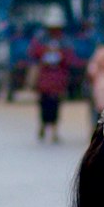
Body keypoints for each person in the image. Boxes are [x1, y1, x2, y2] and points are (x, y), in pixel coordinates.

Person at [28, 13, 79, 143]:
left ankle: (55, 130)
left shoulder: (64, 41)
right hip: (44, 79)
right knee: (44, 104)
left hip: (58, 79)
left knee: (56, 105)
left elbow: (70, 58)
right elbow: (33, 53)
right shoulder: (40, 39)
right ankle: (43, 126)